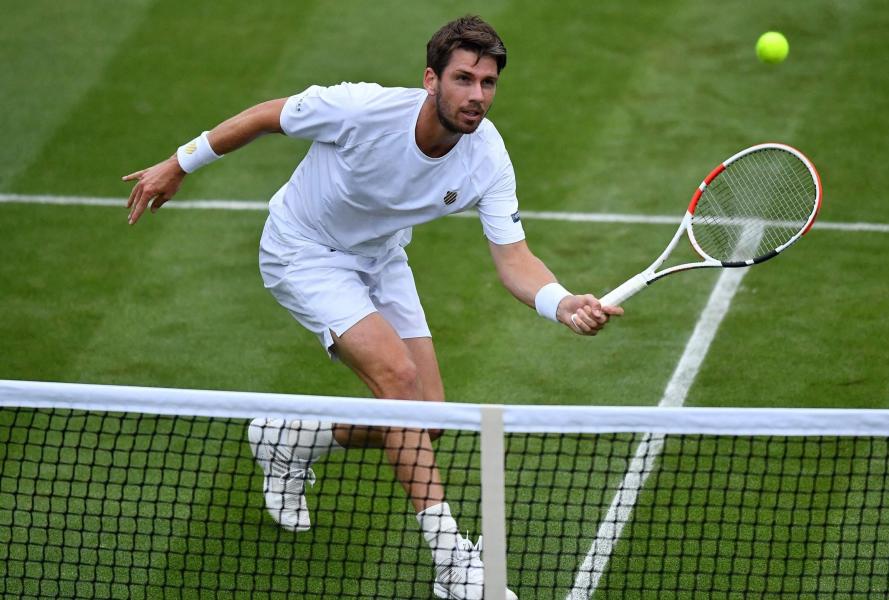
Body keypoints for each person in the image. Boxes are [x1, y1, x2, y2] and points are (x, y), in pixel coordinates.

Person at [123, 15, 622, 600]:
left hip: (381, 258)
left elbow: (514, 260)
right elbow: (266, 116)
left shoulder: (488, 155)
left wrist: (561, 303)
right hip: (303, 251)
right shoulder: (363, 109)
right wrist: (179, 163)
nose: (477, 96)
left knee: (428, 417)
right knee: (398, 379)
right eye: (464, 79)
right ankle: (454, 564)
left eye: (488, 83)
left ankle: (289, 441)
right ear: (431, 80)